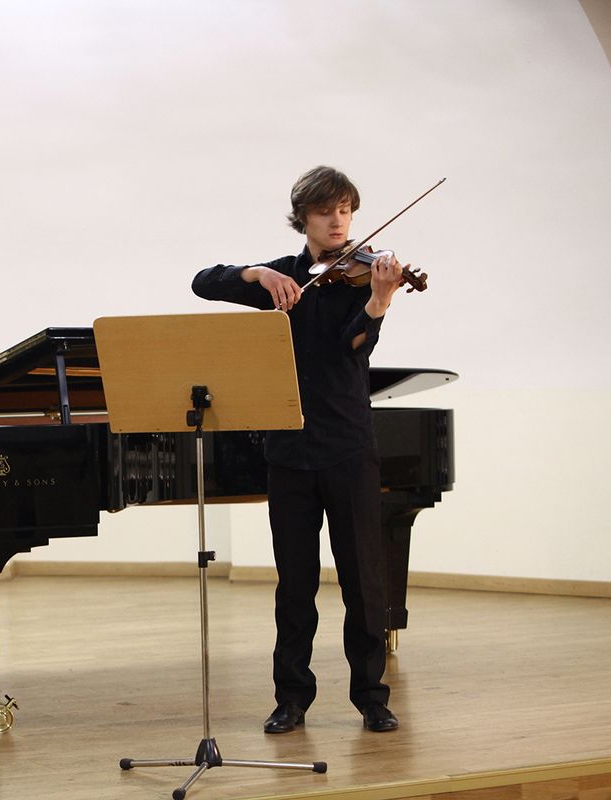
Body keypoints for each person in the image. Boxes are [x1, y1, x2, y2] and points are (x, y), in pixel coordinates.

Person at [191, 166, 407, 733]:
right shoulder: (284, 278)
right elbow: (203, 282)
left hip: (348, 447)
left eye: (345, 211)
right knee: (294, 584)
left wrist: (379, 300)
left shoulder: (363, 279)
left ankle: (372, 697)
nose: (338, 222)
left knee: (363, 582)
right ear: (303, 218)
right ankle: (291, 698)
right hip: (288, 449)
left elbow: (349, 347)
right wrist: (258, 274)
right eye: (325, 211)